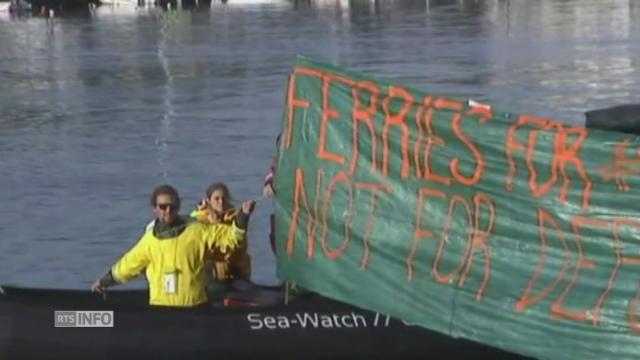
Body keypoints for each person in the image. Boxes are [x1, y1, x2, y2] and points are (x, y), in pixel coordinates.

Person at [91, 184, 256, 307]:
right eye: (163, 207)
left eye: (172, 206)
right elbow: (126, 266)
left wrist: (244, 215)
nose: (167, 210)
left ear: (178, 207)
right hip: (162, 313)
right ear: (155, 209)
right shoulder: (149, 241)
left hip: (195, 309)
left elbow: (231, 239)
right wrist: (104, 282)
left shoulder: (197, 230)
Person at [191, 182, 251, 284]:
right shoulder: (200, 219)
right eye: (217, 199)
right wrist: (213, 218)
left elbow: (239, 244)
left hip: (236, 270)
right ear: (209, 201)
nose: (221, 202)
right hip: (211, 272)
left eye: (224, 198)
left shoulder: (236, 218)